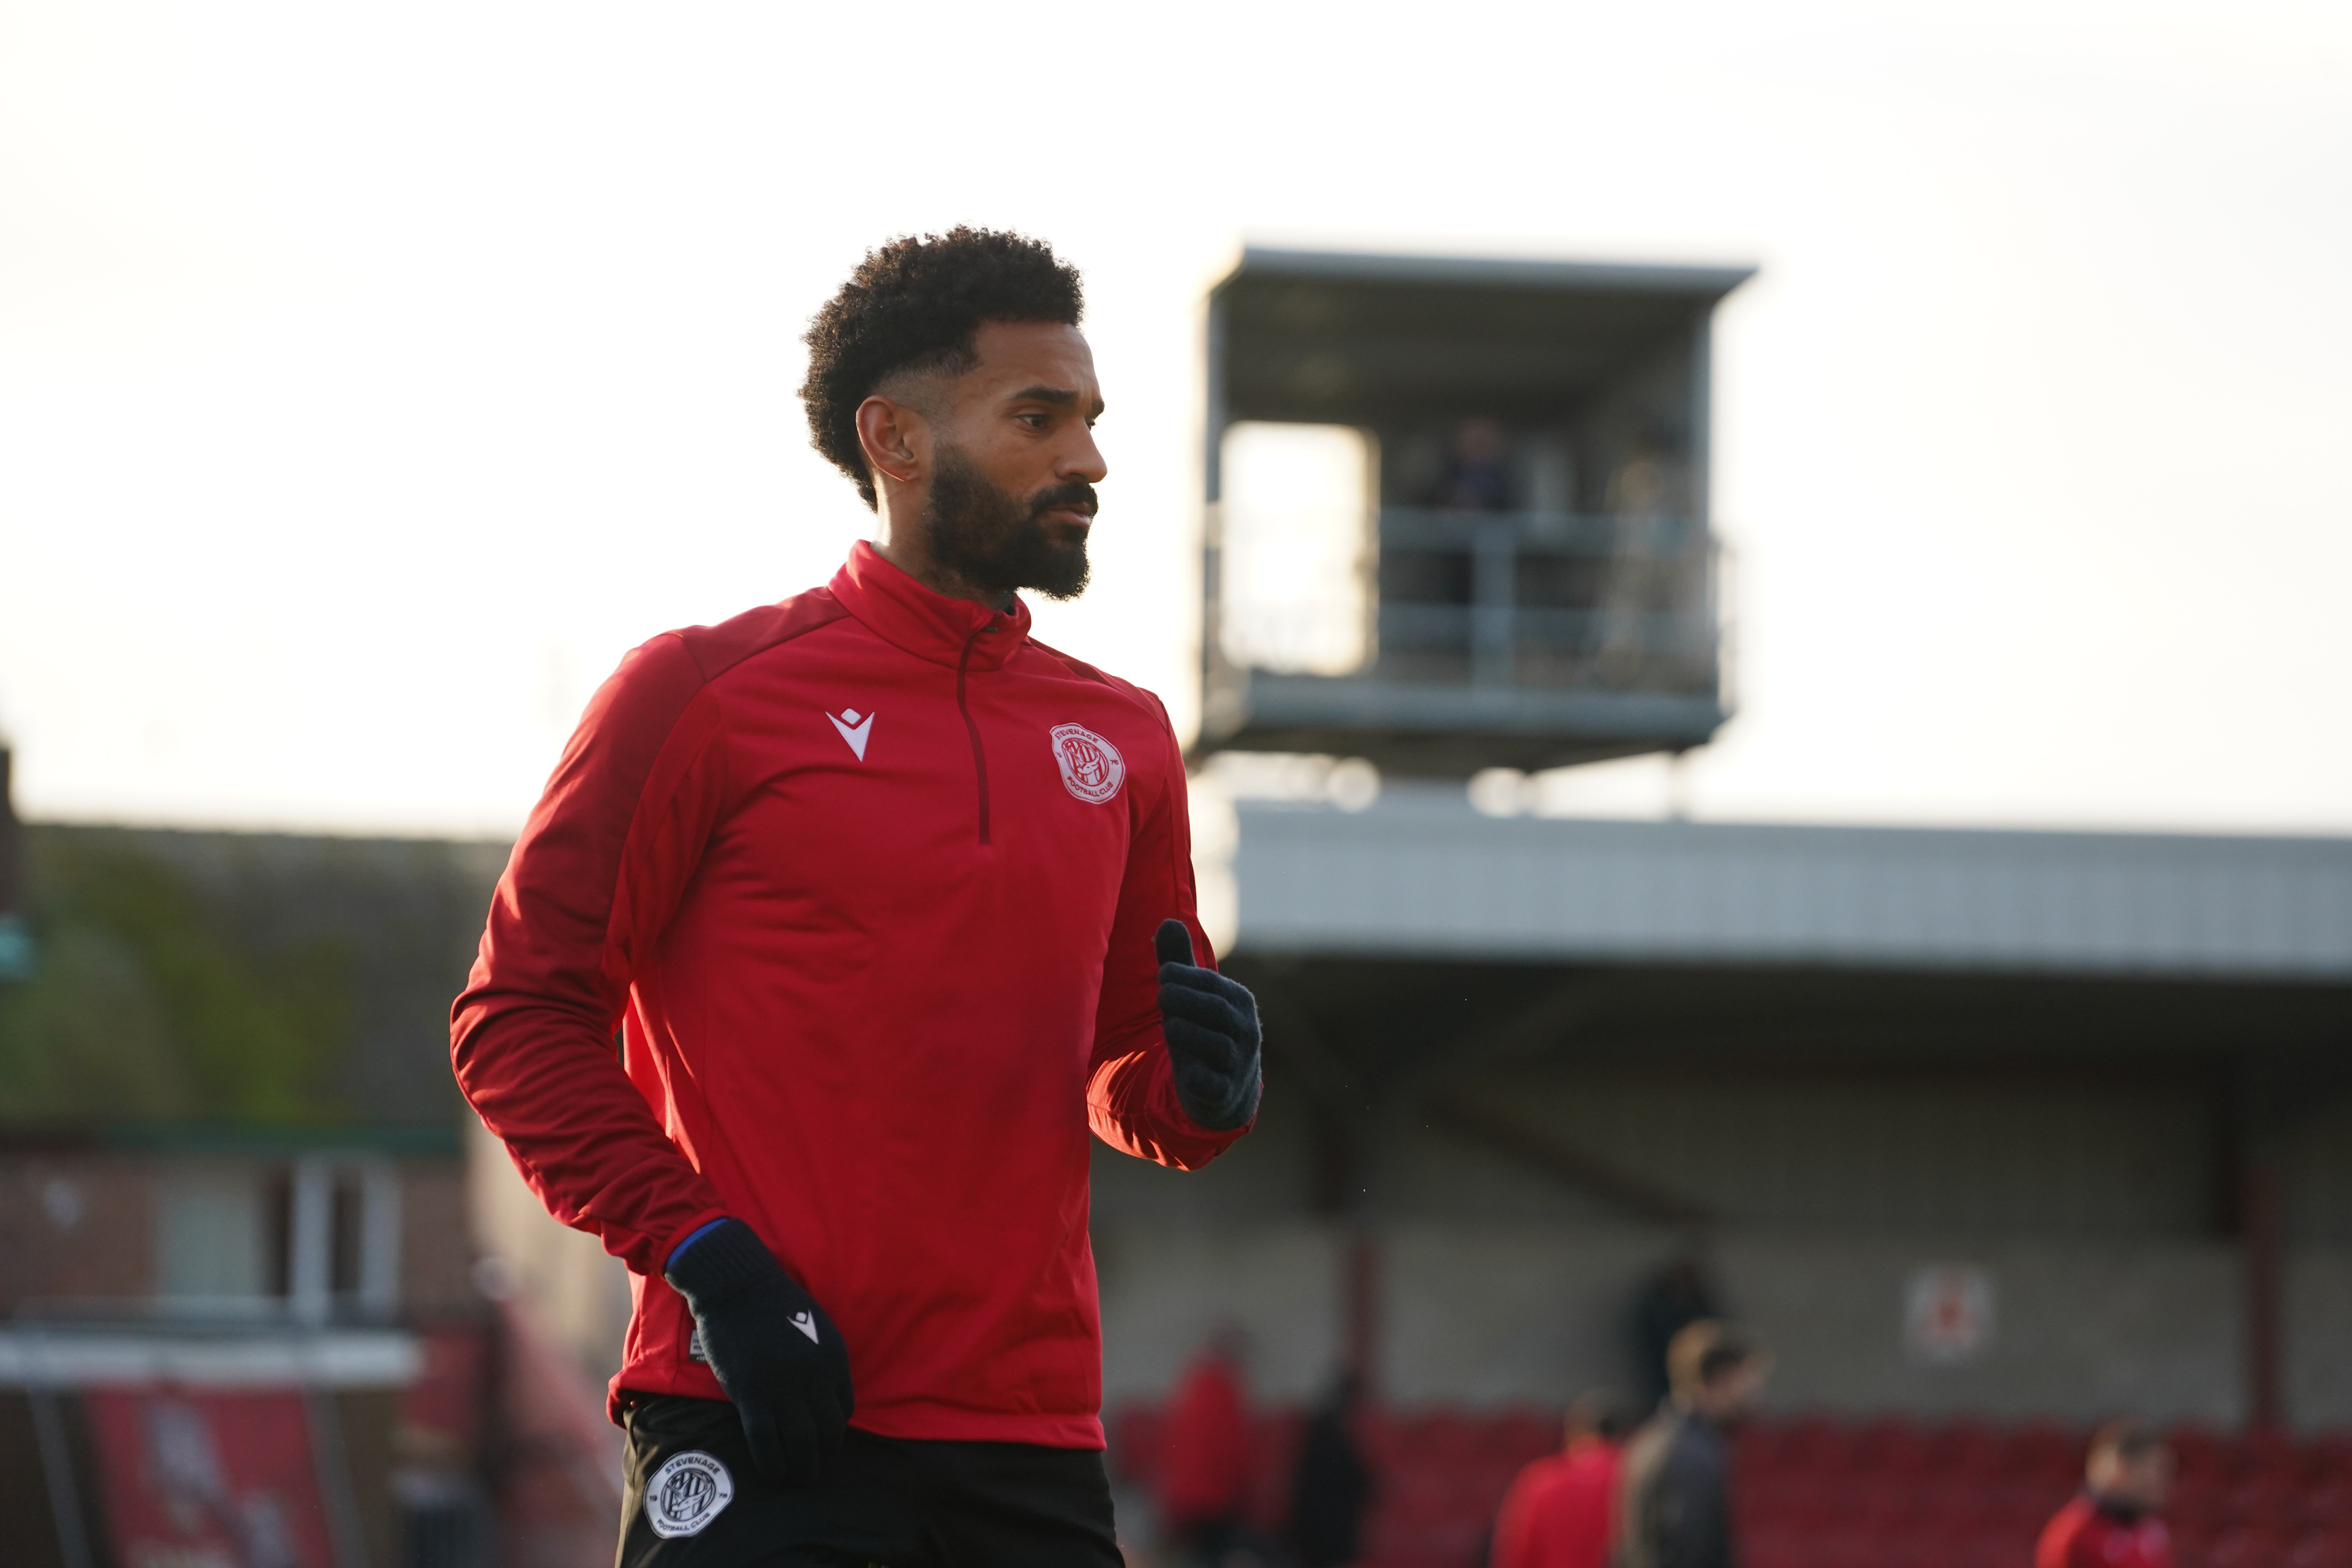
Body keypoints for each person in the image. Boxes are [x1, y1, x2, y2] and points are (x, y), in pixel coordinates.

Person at [451, 228, 1265, 1566]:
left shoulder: (1123, 738)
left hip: (1028, 1440)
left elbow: (1125, 1071)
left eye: (1092, 420)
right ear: (895, 437)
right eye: (1039, 418)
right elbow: (517, 1021)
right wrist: (711, 1261)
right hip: (761, 1401)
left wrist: (1203, 1091)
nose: (1090, 460)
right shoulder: (700, 693)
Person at [1614, 1321, 1770, 1568]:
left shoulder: (1649, 1439)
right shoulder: (1692, 1452)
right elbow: (1687, 1552)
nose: (1754, 1398)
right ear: (1723, 1378)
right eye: (1747, 1383)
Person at [1492, 1391, 1631, 1568]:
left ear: (1572, 1433)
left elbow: (1517, 1554)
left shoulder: (1541, 1481)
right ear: (1621, 1435)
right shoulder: (1632, 1477)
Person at [1158, 1324, 1254, 1563]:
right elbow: (1231, 1444)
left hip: (1189, 1493)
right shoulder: (1222, 1385)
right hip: (1215, 1493)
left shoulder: (1194, 1380)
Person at [2035, 1420, 2175, 1568]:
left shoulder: (2153, 1530)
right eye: (2157, 1470)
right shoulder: (2075, 1535)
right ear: (2121, 1469)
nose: (2163, 1481)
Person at [1289, 1374, 1373, 1568]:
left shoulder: (1318, 1433)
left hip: (1312, 1532)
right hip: (1327, 1533)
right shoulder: (1335, 1438)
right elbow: (1358, 1482)